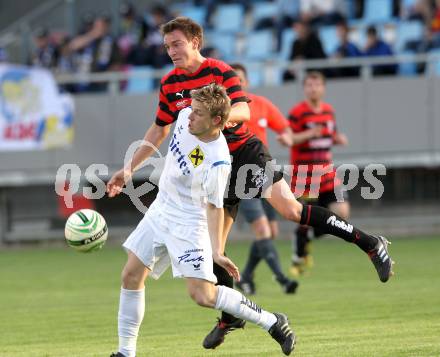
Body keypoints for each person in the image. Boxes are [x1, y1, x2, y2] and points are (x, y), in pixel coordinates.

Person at [106, 16, 394, 352]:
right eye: (167, 46)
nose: (171, 51)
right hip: (211, 166)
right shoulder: (170, 83)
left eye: (177, 44)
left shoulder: (220, 72)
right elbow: (159, 128)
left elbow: (243, 109)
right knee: (216, 249)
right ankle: (231, 317)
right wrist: (129, 168)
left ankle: (370, 243)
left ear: (195, 42)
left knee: (290, 210)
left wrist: (217, 117)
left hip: (241, 153)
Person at [107, 84, 296, 357]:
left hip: (189, 222)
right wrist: (127, 170)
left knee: (203, 296)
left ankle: (272, 321)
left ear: (217, 120)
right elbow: (160, 131)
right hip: (162, 208)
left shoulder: (218, 161)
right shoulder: (185, 117)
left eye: (197, 113)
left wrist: (217, 250)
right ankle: (126, 352)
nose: (189, 116)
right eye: (191, 110)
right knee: (131, 275)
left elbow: (214, 206)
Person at [229, 63, 298, 296]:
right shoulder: (222, 110)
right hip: (240, 178)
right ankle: (283, 279)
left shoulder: (261, 104)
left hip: (264, 174)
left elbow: (284, 128)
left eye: (239, 79)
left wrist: (287, 139)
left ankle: (246, 276)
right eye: (231, 79)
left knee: (271, 233)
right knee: (263, 231)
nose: (235, 83)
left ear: (246, 82)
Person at [284, 71, 351, 276]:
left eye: (317, 85)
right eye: (309, 85)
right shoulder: (297, 112)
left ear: (323, 88)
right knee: (305, 218)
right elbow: (290, 138)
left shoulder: (329, 112)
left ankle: (307, 237)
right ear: (304, 89)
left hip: (327, 173)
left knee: (343, 214)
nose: (313, 88)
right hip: (305, 177)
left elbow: (329, 135)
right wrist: (309, 133)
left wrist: (338, 138)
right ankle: (298, 255)